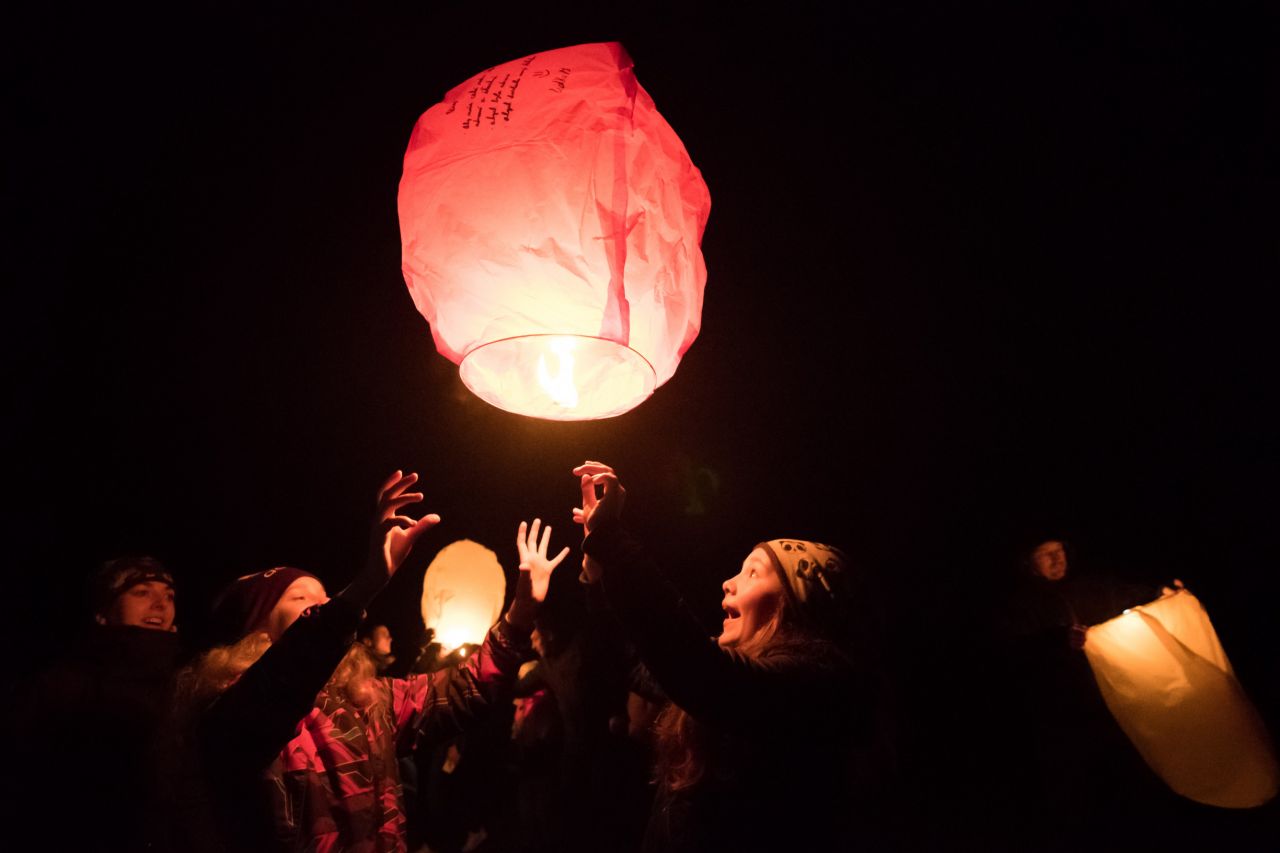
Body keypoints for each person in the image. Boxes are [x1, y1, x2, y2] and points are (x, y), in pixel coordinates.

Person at [163, 471, 565, 853]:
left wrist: (520, 614)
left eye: (325, 597)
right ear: (257, 626)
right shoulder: (230, 707)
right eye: (301, 599)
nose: (323, 605)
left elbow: (466, 687)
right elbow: (283, 680)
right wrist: (368, 583)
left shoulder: (368, 700)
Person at [565, 461, 887, 853]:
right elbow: (638, 663)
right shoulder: (735, 679)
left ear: (798, 600)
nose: (728, 583)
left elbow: (701, 671)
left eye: (753, 573)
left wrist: (613, 542)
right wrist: (599, 577)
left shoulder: (817, 686)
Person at [8, 556, 182, 852]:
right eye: (141, 592)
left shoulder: (187, 683)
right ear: (103, 612)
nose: (160, 604)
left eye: (169, 596)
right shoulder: (62, 687)